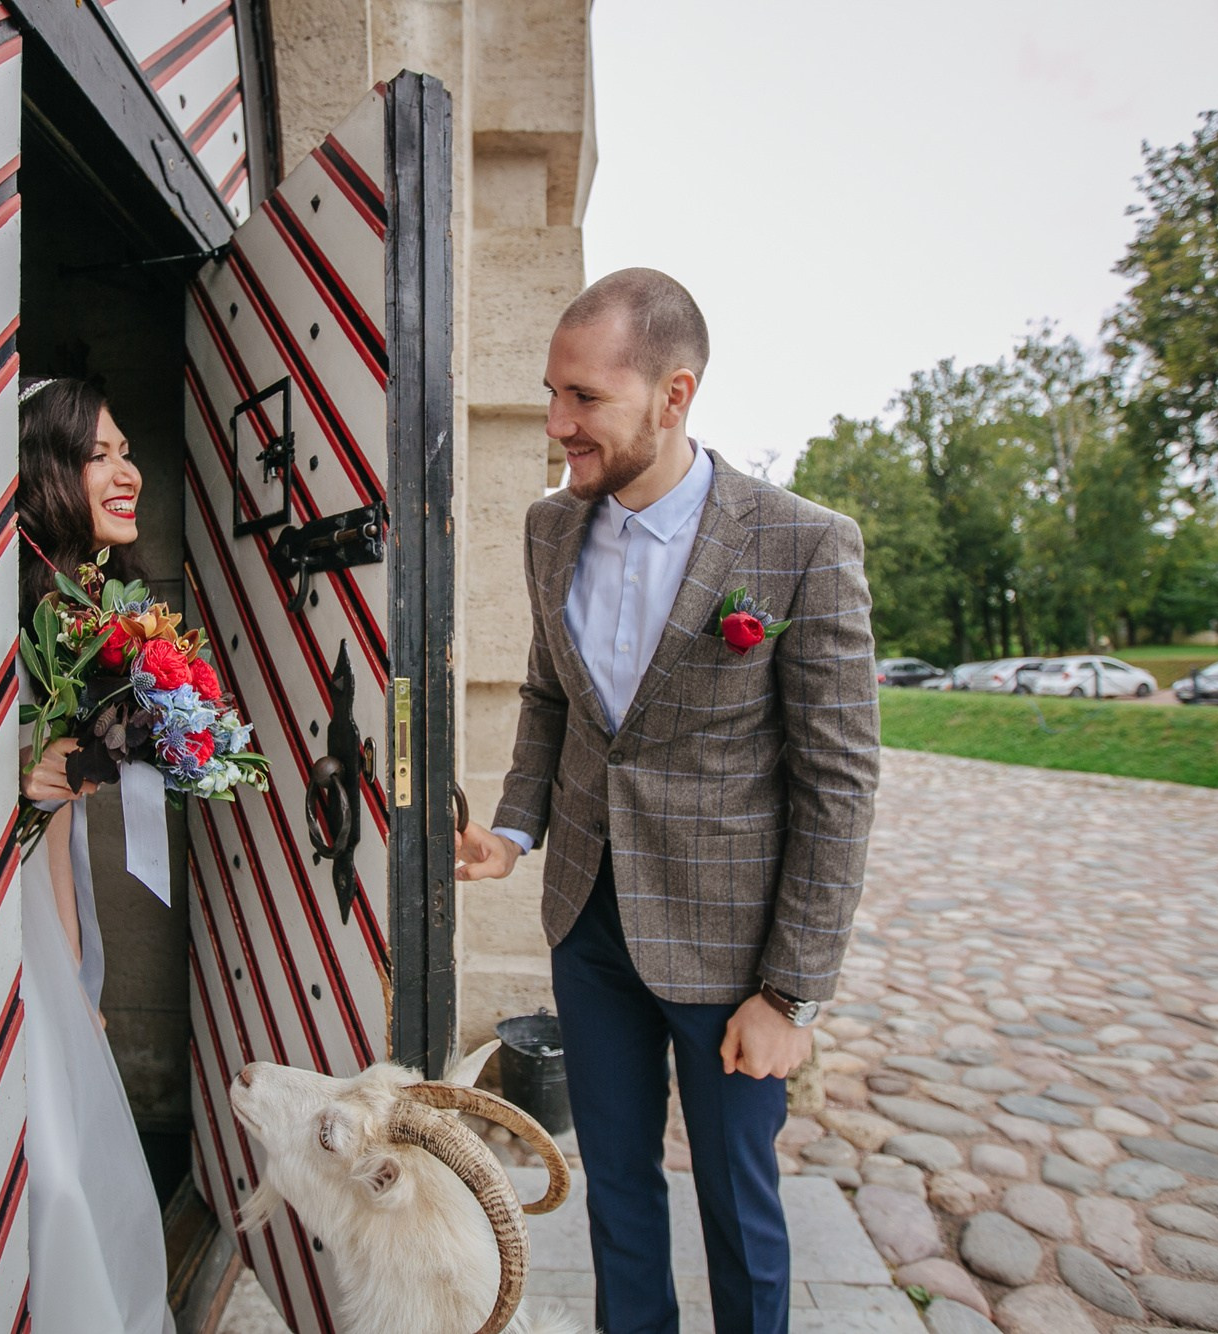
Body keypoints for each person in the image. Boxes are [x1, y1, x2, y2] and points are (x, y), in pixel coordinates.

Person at [455, 270, 879, 1334]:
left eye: (584, 398)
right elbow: (551, 695)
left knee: (738, 1204)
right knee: (618, 1190)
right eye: (551, 393)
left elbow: (837, 783)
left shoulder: (798, 543)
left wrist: (791, 994)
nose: (556, 424)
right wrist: (513, 831)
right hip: (587, 923)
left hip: (733, 951)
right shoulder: (550, 528)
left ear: (673, 394)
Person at [15, 376, 174, 1334]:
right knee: (55, 1169)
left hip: (43, 895)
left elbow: (60, 817)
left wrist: (78, 973)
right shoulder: (4, 606)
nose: (128, 472)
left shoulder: (83, 604)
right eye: (99, 454)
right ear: (47, 469)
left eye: (126, 451)